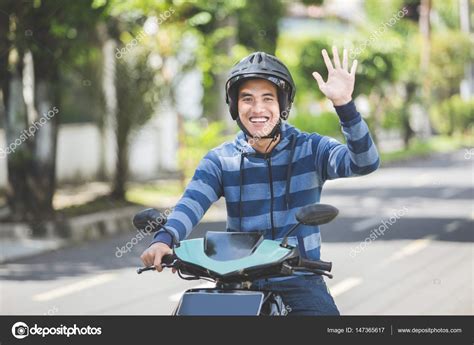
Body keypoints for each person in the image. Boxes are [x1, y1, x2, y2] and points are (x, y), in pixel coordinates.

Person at [141, 48, 380, 315]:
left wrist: (344, 105)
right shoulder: (221, 160)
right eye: (247, 99)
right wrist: (164, 238)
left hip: (298, 281)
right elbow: (191, 202)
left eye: (268, 98)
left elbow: (364, 162)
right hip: (235, 280)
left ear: (283, 105)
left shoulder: (311, 149)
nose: (258, 109)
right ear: (235, 106)